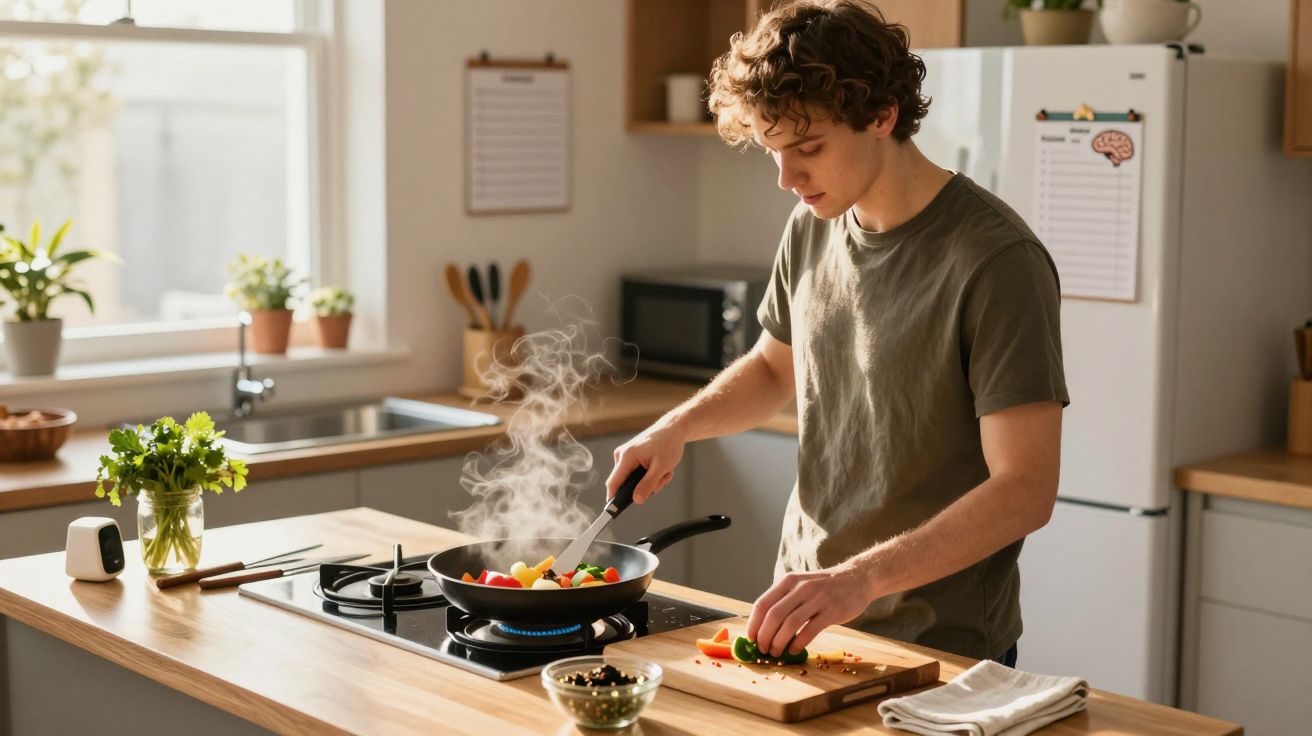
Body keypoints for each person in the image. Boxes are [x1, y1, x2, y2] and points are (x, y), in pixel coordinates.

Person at [606, 0, 1069, 668]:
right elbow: (774, 370)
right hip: (805, 619)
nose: (787, 179)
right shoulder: (813, 225)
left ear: (883, 115)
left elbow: (1025, 489)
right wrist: (675, 427)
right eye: (773, 152)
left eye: (808, 150)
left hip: (938, 646)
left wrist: (860, 580)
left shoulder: (995, 261)